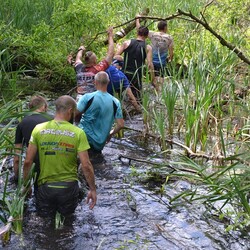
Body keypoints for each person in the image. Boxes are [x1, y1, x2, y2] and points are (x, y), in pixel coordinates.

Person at [23, 95, 97, 217]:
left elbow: (27, 161)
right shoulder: (78, 133)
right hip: (69, 188)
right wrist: (92, 189)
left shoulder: (38, 129)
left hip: (45, 188)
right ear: (70, 111)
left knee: (44, 223)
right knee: (68, 224)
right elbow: (86, 165)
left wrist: (27, 185)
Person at [75, 71, 124, 153]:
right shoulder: (115, 102)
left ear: (95, 82)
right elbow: (121, 124)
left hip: (84, 137)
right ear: (108, 82)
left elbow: (74, 114)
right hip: (100, 143)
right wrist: (110, 134)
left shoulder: (87, 97)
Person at [13, 95, 51, 191]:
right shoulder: (55, 119)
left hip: (36, 165)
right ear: (44, 107)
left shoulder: (22, 124)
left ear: (30, 108)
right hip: (57, 164)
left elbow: (17, 157)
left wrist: (17, 179)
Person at [72, 27, 114, 100]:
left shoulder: (78, 68)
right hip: (92, 98)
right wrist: (110, 36)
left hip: (79, 98)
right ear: (95, 61)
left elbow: (78, 58)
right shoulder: (98, 69)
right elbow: (110, 53)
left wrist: (81, 49)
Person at [116, 26, 154, 101]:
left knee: (122, 97)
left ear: (137, 33)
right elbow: (150, 64)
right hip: (137, 75)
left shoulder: (126, 43)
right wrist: (153, 79)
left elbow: (116, 56)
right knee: (137, 98)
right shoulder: (148, 47)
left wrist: (121, 62)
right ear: (146, 36)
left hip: (125, 73)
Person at [136, 16, 174, 91]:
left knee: (152, 81)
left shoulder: (153, 34)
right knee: (160, 82)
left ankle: (152, 94)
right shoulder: (169, 38)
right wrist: (170, 59)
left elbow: (139, 29)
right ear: (165, 27)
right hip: (161, 62)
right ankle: (159, 96)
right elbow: (171, 53)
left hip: (151, 62)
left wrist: (137, 19)